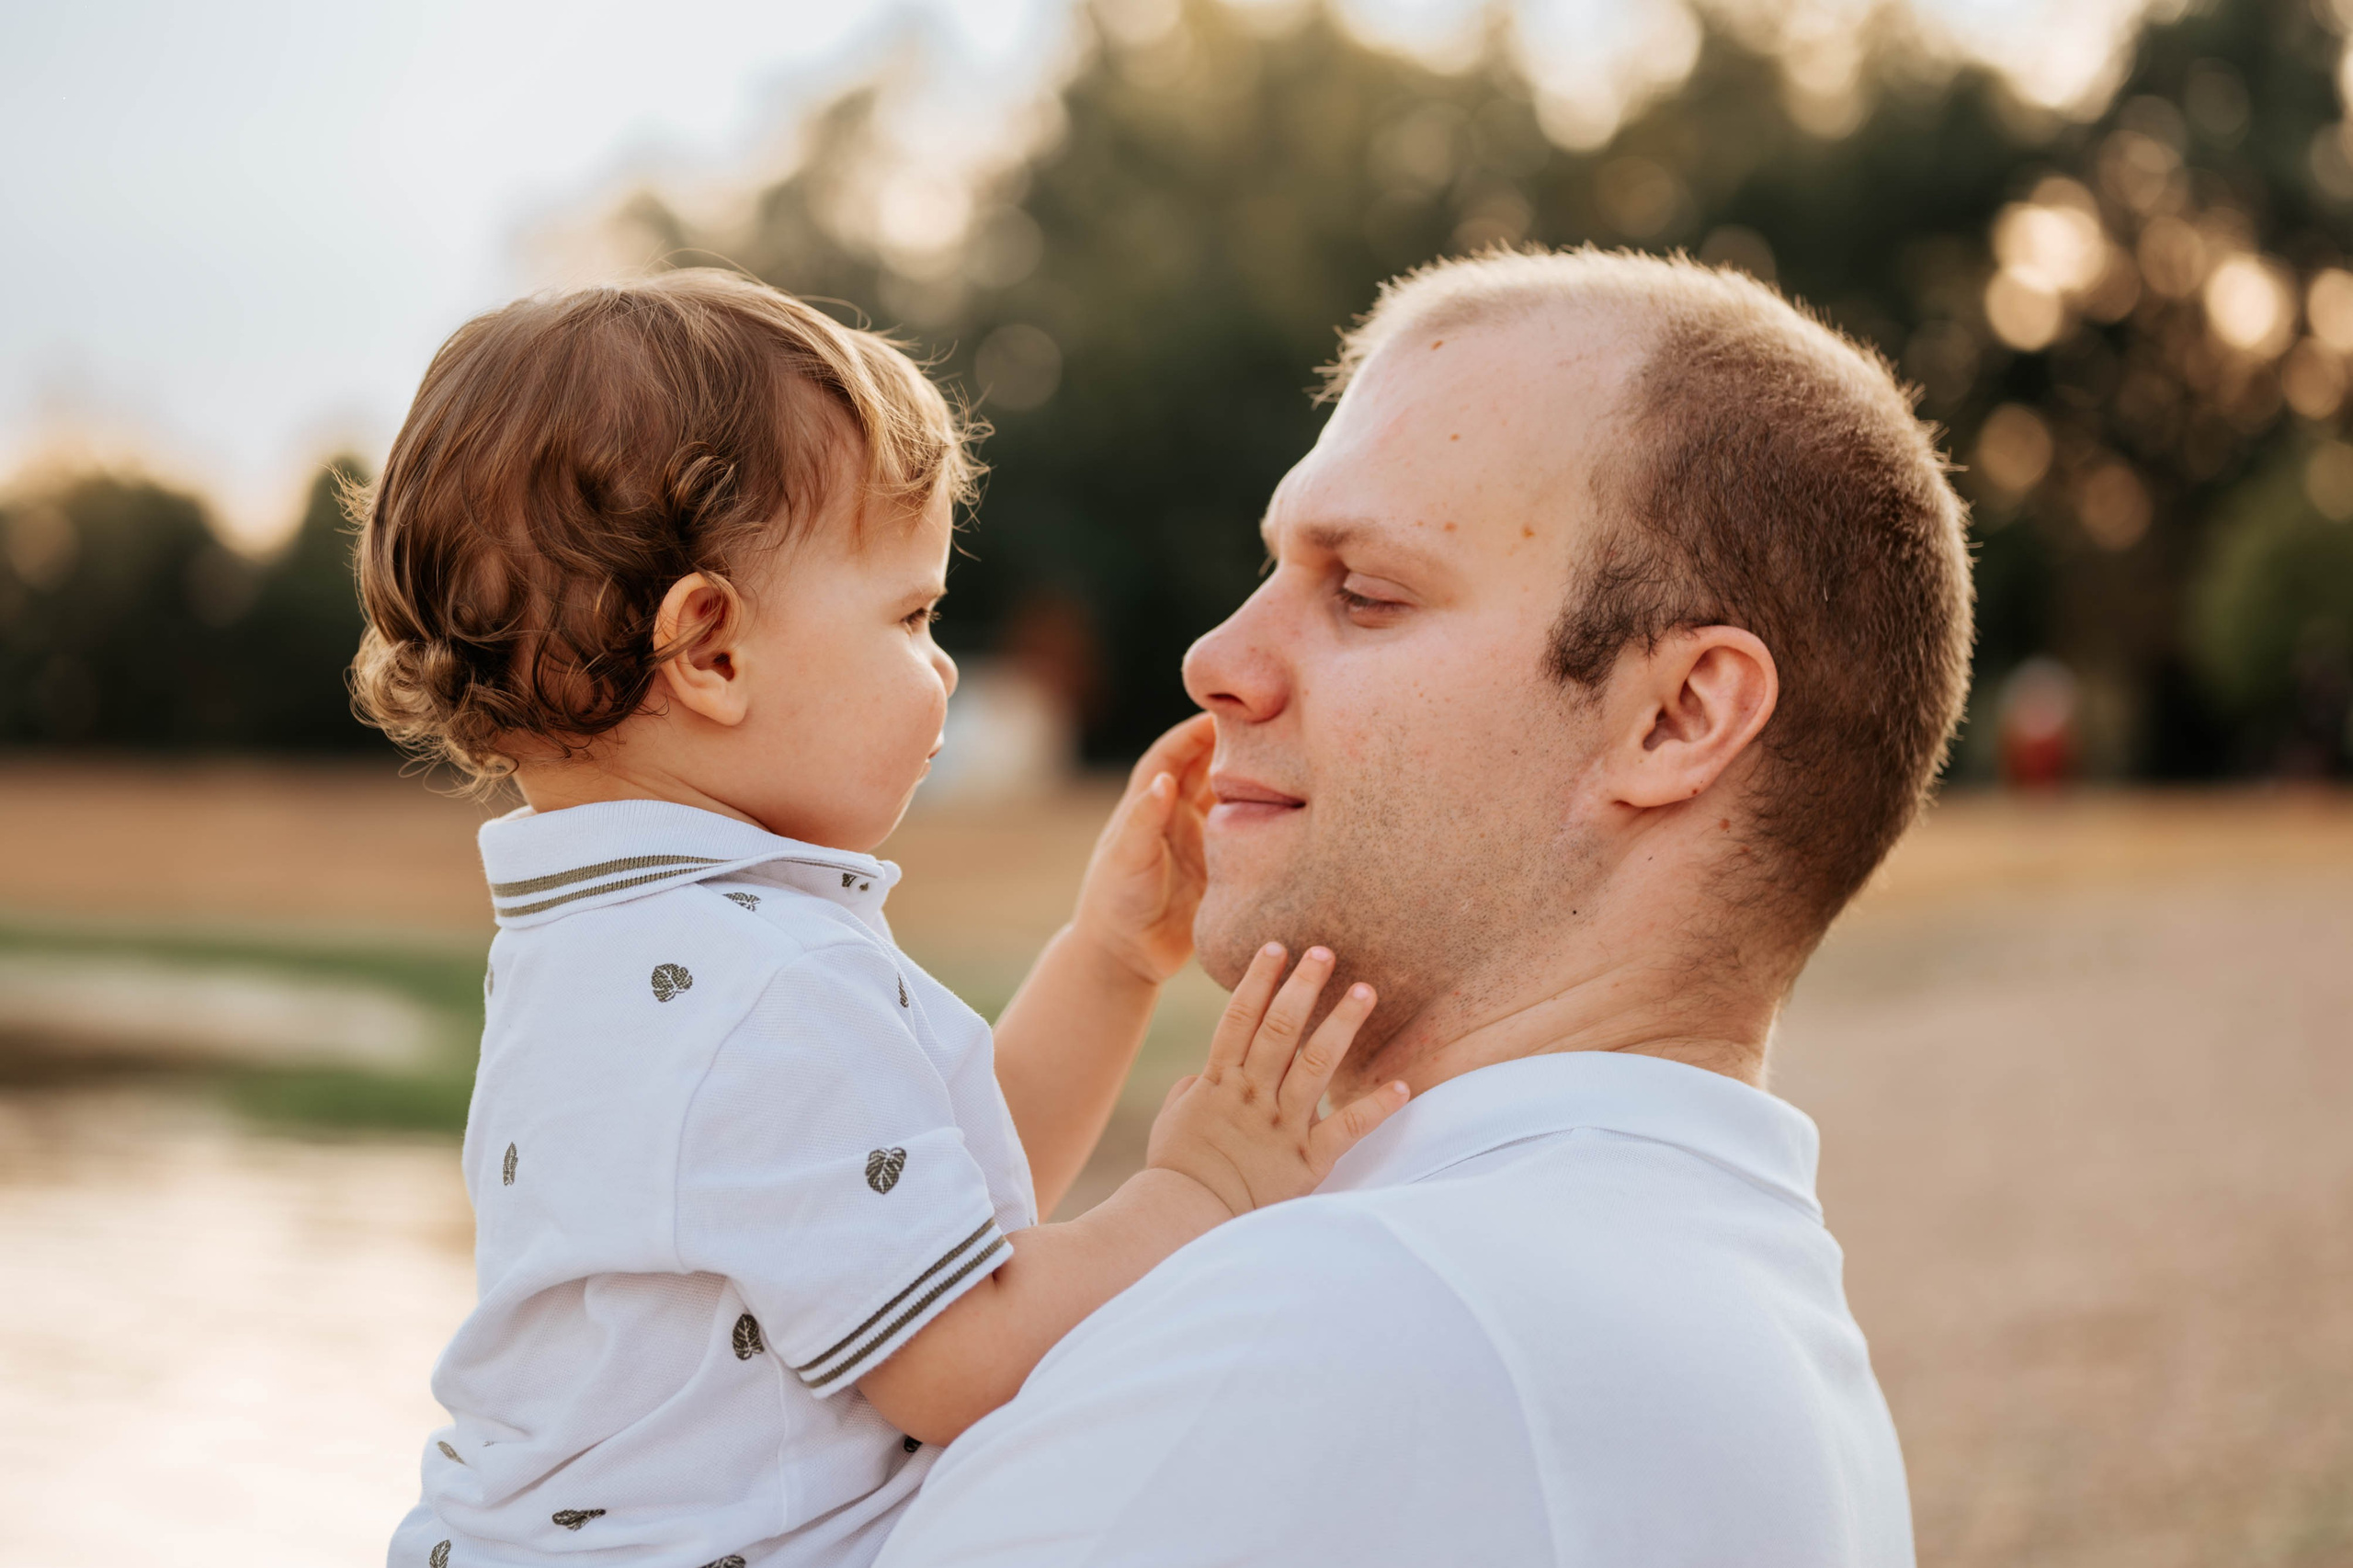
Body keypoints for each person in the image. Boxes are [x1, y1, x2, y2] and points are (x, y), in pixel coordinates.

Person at [877, 248, 1972, 1568]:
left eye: (1365, 593)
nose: (1216, 659)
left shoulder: (1367, 1322)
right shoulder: (1728, 1312)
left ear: (1676, 716)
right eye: (1272, 567)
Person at [358, 270, 1407, 1568]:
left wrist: (1107, 962)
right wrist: (1203, 1185)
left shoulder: (614, 947)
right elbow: (959, 1357)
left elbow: (910, 1203)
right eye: (911, 616)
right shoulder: (759, 983)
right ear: (714, 653)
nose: (946, 667)